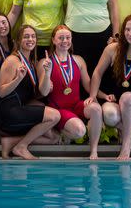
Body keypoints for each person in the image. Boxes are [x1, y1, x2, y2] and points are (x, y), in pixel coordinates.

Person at [87, 15, 131, 160]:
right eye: (127, 29)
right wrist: (93, 96)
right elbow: (97, 73)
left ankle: (126, 143)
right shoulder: (112, 49)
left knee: (128, 97)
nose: (130, 34)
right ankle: (126, 130)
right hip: (114, 99)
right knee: (109, 115)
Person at [37, 25, 103, 159]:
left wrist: (102, 96)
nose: (64, 41)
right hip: (58, 110)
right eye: (60, 38)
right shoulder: (45, 62)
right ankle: (59, 130)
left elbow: (88, 86)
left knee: (96, 108)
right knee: (80, 131)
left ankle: (94, 150)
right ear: (53, 40)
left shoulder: (78, 60)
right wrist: (47, 72)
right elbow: (43, 92)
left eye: (67, 37)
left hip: (76, 106)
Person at [0, 25, 61, 159]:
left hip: (20, 108)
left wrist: (47, 74)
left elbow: (41, 93)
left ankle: (11, 141)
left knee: (54, 137)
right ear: (18, 41)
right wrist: (17, 79)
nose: (30, 39)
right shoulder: (12, 61)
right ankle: (21, 146)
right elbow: (1, 92)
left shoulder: (31, 62)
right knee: (55, 116)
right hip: (8, 113)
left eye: (33, 36)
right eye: (26, 37)